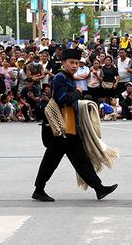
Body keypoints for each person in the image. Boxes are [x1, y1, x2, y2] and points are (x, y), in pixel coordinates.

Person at [33, 48, 118, 202]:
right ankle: (39, 189)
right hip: (59, 129)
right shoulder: (60, 77)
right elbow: (62, 98)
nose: (74, 65)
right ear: (63, 63)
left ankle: (99, 188)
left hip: (69, 128)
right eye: (71, 62)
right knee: (51, 161)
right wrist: (78, 92)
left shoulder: (68, 78)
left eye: (77, 63)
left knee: (81, 160)